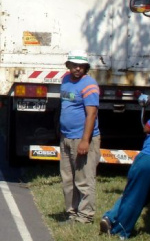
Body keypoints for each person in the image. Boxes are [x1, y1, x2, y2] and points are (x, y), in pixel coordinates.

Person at [101, 96, 150, 237]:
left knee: (133, 194)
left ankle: (120, 231)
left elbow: (147, 128)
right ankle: (110, 217)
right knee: (143, 195)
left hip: (149, 157)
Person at [60, 49, 101, 224]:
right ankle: (72, 213)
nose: (77, 69)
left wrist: (85, 140)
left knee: (84, 179)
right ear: (68, 65)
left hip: (81, 138)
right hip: (66, 137)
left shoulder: (89, 85)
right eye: (74, 65)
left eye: (81, 66)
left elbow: (91, 114)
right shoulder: (65, 80)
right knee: (68, 179)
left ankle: (85, 216)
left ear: (86, 67)